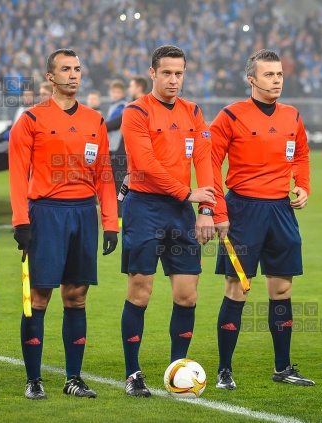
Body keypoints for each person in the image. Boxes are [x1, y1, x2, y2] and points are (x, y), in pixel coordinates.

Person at [9, 49, 119, 400]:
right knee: (39, 297)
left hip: (84, 214)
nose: (74, 75)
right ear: (50, 76)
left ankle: (73, 378)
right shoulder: (31, 119)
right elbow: (16, 175)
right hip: (46, 214)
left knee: (76, 296)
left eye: (78, 69)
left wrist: (111, 222)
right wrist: (20, 221)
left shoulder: (95, 120)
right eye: (66, 69)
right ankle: (33, 379)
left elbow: (104, 175)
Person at [211, 49, 315, 389]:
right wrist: (218, 212)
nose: (276, 80)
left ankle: (283, 368)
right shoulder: (230, 116)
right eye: (269, 75)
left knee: (282, 289)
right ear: (251, 79)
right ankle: (224, 369)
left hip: (281, 212)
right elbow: (211, 163)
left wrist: (302, 184)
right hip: (243, 211)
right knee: (238, 288)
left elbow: (300, 154)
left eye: (280, 74)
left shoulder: (292, 116)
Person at [120, 45, 216, 397]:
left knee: (187, 296)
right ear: (153, 73)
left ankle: (179, 370)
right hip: (144, 208)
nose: (174, 79)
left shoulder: (194, 112)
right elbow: (144, 163)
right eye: (167, 73)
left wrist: (206, 209)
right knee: (141, 292)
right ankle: (133, 373)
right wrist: (186, 193)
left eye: (179, 73)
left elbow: (204, 160)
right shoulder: (136, 112)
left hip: (181, 211)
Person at [105, 75, 148, 218]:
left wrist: (100, 126)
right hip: (136, 154)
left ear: (139, 88)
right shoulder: (144, 103)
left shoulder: (139, 104)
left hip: (126, 154)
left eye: (131, 86)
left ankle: (122, 223)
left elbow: (119, 121)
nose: (129, 89)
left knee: (122, 190)